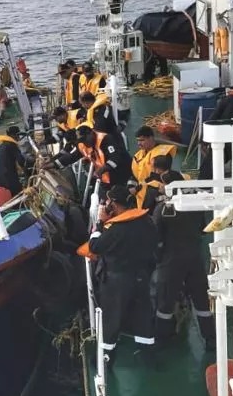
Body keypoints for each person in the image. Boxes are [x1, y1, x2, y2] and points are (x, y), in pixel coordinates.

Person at [78, 185, 159, 362]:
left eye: (107, 201)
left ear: (113, 204)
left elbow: (95, 247)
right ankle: (147, 352)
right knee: (142, 313)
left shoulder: (116, 229)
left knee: (111, 317)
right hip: (142, 275)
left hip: (117, 280)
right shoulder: (146, 221)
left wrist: (99, 224)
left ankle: (106, 355)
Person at [151, 156, 214, 350]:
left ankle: (162, 339)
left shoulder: (162, 209)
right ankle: (210, 340)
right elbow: (204, 229)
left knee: (165, 303)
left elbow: (156, 239)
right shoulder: (195, 206)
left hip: (171, 261)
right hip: (195, 258)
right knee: (202, 302)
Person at [54, 125, 132, 190]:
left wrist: (100, 170)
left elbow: (115, 159)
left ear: (90, 133)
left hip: (122, 172)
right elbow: (72, 157)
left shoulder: (106, 139)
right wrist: (54, 164)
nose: (84, 143)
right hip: (106, 178)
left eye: (85, 139)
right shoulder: (84, 144)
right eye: (81, 141)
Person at [131, 126, 178, 207]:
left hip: (156, 194)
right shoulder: (138, 155)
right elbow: (135, 175)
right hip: (140, 196)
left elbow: (158, 176)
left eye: (142, 140)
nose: (139, 143)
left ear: (151, 138)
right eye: (138, 140)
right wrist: (131, 186)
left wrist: (137, 188)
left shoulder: (162, 155)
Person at [0, 126, 27, 195]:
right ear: (13, 135)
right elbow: (21, 161)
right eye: (17, 135)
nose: (18, 137)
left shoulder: (2, 145)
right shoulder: (12, 145)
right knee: (19, 195)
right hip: (10, 179)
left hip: (1, 179)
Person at [17, 59, 43, 133]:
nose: (26, 74)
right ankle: (31, 127)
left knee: (34, 112)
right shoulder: (24, 80)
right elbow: (25, 88)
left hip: (32, 96)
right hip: (30, 96)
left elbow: (29, 87)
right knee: (31, 113)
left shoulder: (27, 79)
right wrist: (36, 90)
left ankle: (33, 126)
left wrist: (37, 89)